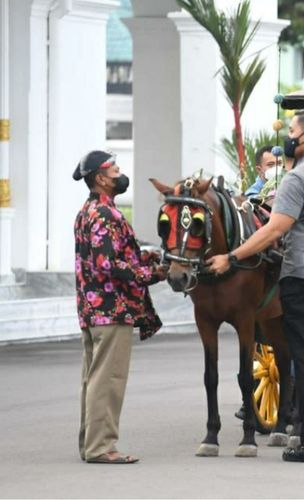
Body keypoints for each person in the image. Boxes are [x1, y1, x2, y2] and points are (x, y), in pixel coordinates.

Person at [207, 109, 304, 463]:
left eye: (291, 131)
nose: (287, 138)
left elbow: (274, 229)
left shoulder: (297, 179)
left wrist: (231, 258)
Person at [73, 150, 167, 464]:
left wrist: (143, 256)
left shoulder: (88, 211)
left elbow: (111, 257)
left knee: (94, 378)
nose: (119, 173)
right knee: (108, 380)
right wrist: (153, 273)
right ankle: (101, 447)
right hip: (111, 309)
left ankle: (91, 444)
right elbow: (108, 265)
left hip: (94, 309)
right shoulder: (104, 214)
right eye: (114, 169)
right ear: (100, 178)